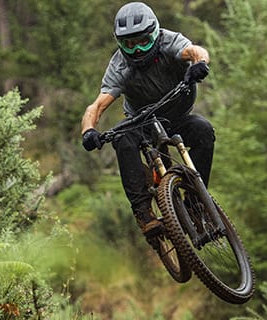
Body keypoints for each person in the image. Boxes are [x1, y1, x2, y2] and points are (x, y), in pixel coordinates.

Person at [80, 2, 214, 243]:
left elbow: (196, 51)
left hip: (178, 116)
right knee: (123, 139)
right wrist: (88, 131)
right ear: (119, 43)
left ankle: (195, 203)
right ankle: (143, 212)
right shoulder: (119, 66)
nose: (137, 49)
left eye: (143, 41)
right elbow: (97, 106)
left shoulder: (168, 41)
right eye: (129, 44)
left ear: (154, 32)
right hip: (142, 122)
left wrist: (200, 64)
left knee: (203, 130)